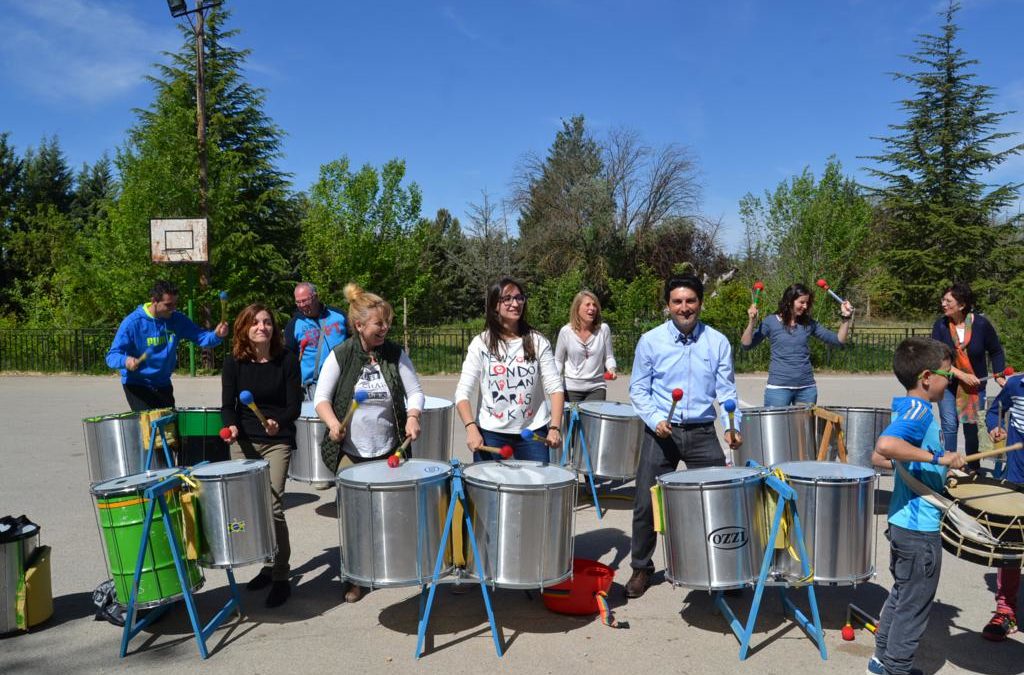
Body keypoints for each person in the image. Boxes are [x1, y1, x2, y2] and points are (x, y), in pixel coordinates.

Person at [626, 274, 743, 599]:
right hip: (661, 432)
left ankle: (725, 567)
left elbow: (727, 391)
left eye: (690, 301)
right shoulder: (650, 341)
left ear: (700, 303)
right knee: (645, 504)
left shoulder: (717, 341)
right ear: (668, 305)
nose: (684, 307)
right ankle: (641, 566)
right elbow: (638, 389)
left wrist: (733, 426)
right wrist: (654, 419)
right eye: (677, 301)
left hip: (703, 432)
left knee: (720, 500)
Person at [314, 283, 424, 603]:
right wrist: (334, 424)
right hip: (352, 452)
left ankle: (389, 566)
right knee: (354, 520)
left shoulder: (394, 353)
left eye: (387, 321)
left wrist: (414, 416)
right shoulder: (343, 354)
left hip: (390, 448)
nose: (385, 327)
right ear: (360, 325)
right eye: (379, 323)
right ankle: (355, 577)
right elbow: (321, 398)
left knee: (390, 513)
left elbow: (414, 391)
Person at [869, 337, 966, 675]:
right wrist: (937, 457)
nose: (950, 379)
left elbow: (880, 457)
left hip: (902, 521)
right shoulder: (920, 412)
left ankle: (881, 659)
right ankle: (896, 667)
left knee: (902, 593)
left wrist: (935, 468)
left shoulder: (907, 406)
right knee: (914, 606)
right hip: (918, 527)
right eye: (947, 373)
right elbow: (885, 445)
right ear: (927, 376)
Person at [220, 303, 302, 608]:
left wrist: (277, 421)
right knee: (251, 509)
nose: (261, 327)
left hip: (277, 440)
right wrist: (229, 425)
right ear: (244, 328)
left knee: (274, 506)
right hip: (244, 442)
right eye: (254, 322)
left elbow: (294, 405)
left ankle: (281, 575)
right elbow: (228, 405)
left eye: (266, 322)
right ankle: (268, 565)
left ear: (273, 328)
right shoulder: (234, 363)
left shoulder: (287, 360)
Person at [455, 277, 564, 462]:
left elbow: (555, 388)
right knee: (488, 489)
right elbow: (462, 393)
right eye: (508, 299)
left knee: (535, 489)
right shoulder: (481, 344)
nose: (515, 303)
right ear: (495, 305)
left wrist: (554, 427)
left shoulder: (538, 341)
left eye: (519, 298)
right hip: (491, 432)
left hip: (532, 431)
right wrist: (471, 428)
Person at [106, 280, 228, 411]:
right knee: (150, 425)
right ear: (154, 301)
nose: (173, 308)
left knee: (169, 427)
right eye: (168, 305)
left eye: (175, 304)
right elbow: (112, 356)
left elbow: (202, 338)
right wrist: (126, 360)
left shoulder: (177, 319)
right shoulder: (133, 323)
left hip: (163, 383)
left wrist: (217, 335)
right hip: (138, 384)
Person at [931, 282, 1007, 473]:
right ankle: (949, 465)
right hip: (947, 383)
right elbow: (937, 357)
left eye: (948, 301)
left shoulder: (981, 324)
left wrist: (998, 374)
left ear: (962, 305)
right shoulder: (940, 326)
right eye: (943, 300)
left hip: (975, 387)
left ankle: (973, 466)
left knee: (972, 427)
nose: (943, 304)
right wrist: (961, 375)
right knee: (949, 424)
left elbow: (996, 351)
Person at [740, 282, 854, 406]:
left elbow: (838, 340)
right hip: (778, 389)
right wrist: (752, 322)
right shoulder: (771, 322)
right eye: (802, 302)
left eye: (807, 303)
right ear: (790, 301)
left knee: (804, 426)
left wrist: (846, 318)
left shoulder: (808, 323)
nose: (805, 306)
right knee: (777, 426)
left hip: (807, 389)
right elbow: (746, 345)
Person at [980, 371, 1024, 640]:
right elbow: (995, 410)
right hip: (1017, 479)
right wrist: (996, 426)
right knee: (1010, 543)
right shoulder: (1016, 384)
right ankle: (1005, 610)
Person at [284, 282, 348, 400]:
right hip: (314, 386)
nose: (302, 305)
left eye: (305, 300)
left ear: (316, 297)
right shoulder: (294, 325)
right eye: (298, 302)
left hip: (344, 380)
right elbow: (288, 359)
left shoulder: (339, 315)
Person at [554, 290, 618, 402]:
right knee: (573, 420)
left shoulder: (603, 329)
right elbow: (558, 360)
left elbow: (609, 357)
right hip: (571, 389)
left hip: (597, 388)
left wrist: (611, 368)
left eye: (594, 305)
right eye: (587, 304)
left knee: (594, 419)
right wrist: (555, 379)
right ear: (577, 308)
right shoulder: (566, 331)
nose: (592, 308)